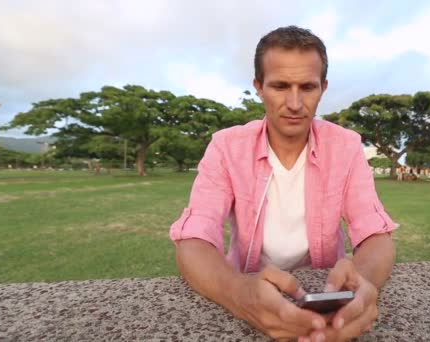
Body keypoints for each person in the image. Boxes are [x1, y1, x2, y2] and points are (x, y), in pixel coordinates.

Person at [169, 25, 398, 342]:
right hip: (250, 282)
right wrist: (239, 293)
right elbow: (193, 241)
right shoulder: (226, 147)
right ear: (259, 87)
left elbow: (375, 234)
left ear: (324, 88)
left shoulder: (346, 146)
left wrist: (362, 283)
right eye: (279, 86)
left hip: (325, 288)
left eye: (307, 87)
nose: (294, 103)